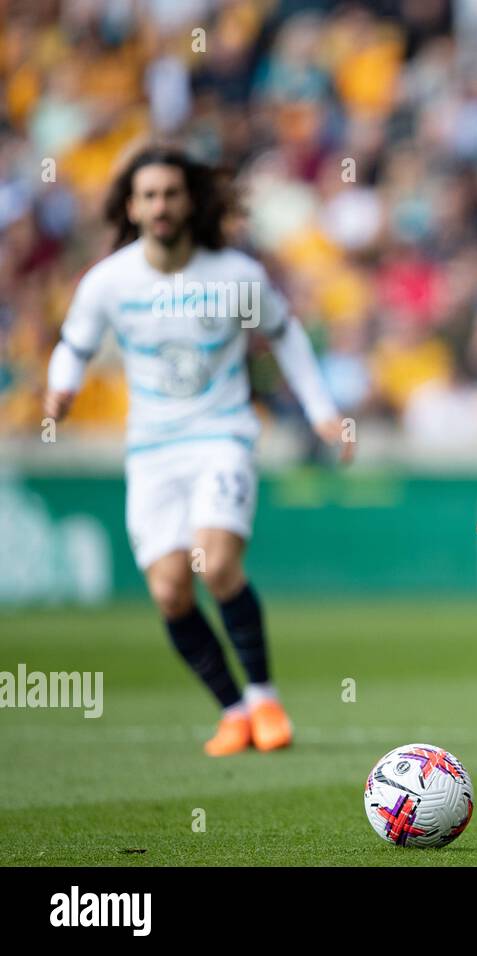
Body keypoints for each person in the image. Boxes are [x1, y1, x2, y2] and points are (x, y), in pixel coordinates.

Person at [44, 146, 353, 756]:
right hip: (152, 449)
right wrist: (61, 386)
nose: (161, 206)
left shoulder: (235, 276)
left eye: (171, 194)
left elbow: (285, 335)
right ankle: (233, 712)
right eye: (149, 195)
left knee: (214, 564)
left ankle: (264, 699)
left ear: (191, 202)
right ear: (131, 207)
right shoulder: (110, 282)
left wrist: (323, 413)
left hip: (222, 435)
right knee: (169, 591)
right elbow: (73, 345)